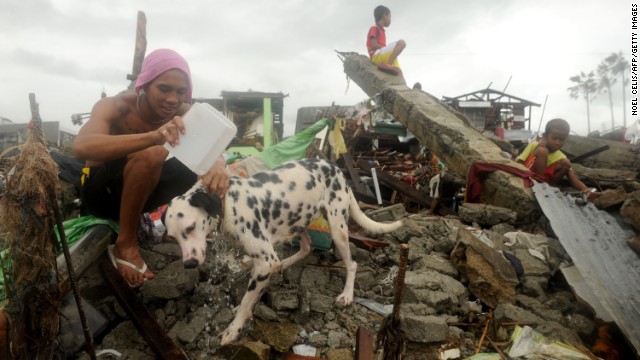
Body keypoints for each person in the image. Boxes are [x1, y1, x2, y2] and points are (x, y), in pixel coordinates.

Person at [73, 49, 229, 287]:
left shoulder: (183, 112)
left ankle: (194, 230)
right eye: (164, 89)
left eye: (180, 91)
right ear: (144, 85)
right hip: (100, 195)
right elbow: (81, 147)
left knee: (201, 165)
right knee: (154, 152)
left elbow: (215, 139)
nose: (172, 99)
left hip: (137, 196)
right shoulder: (115, 106)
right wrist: (153, 137)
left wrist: (219, 162)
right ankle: (125, 243)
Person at [516, 118, 592, 197]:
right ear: (545, 136)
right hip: (528, 175)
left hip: (546, 182)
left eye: (561, 140)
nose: (557, 142)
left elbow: (571, 176)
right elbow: (519, 162)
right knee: (542, 151)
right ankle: (539, 183)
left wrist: (585, 190)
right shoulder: (534, 145)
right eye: (554, 138)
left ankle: (547, 187)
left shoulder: (561, 156)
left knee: (566, 163)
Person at [366, 5, 406, 75]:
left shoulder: (382, 31)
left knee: (399, 71)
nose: (390, 19)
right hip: (376, 56)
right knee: (402, 43)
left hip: (382, 56)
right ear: (384, 15)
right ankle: (388, 65)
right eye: (389, 16)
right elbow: (373, 45)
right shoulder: (375, 28)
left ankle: (390, 67)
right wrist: (386, 48)